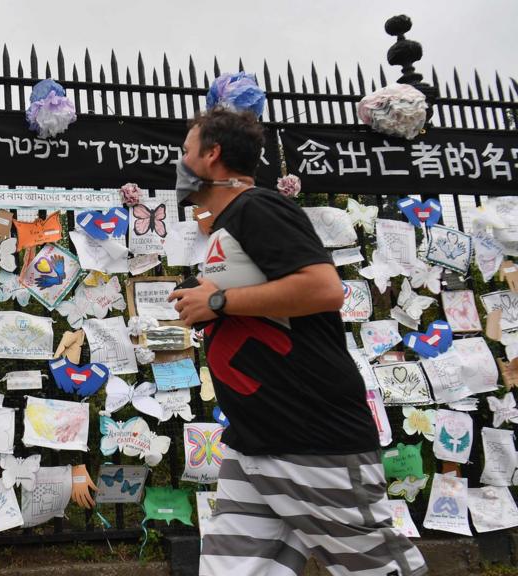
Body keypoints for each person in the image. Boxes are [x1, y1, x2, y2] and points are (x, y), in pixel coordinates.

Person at [167, 108, 427, 576]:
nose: (179, 161)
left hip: (311, 437)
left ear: (211, 155)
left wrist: (220, 301)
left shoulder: (258, 207)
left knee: (372, 566)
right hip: (253, 442)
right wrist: (208, 304)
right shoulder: (225, 226)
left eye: (186, 151)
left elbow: (324, 289)